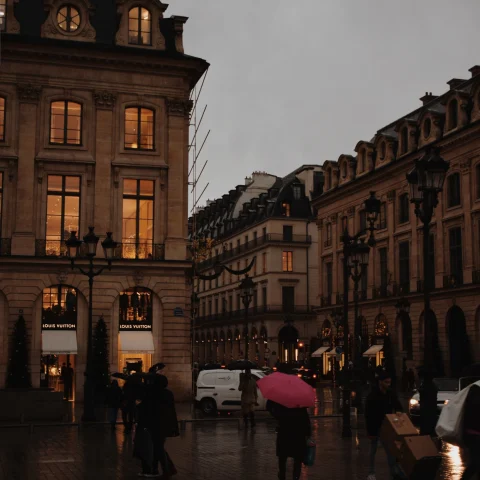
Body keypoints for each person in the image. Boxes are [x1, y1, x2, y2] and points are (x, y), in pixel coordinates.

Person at [365, 370, 406, 480]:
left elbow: (398, 405)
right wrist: (370, 431)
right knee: (373, 451)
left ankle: (394, 472)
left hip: (387, 427)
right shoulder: (372, 395)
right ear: (380, 382)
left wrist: (398, 411)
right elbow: (368, 414)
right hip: (375, 426)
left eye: (389, 382)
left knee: (391, 451)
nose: (388, 384)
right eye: (386, 382)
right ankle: (371, 472)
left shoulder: (390, 393)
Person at [135, 375, 178, 478]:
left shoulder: (154, 393)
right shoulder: (168, 393)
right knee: (159, 447)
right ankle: (168, 469)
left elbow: (148, 408)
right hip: (165, 424)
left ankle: (166, 470)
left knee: (157, 448)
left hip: (155, 424)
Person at [267, 400, 311, 480]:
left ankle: (282, 475)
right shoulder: (300, 404)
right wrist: (308, 434)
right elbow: (306, 420)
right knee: (297, 459)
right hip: (298, 435)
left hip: (284, 433)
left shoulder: (281, 402)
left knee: (282, 457)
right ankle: (295, 477)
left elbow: (270, 408)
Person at [461, 384, 480, 480]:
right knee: (476, 463)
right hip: (475, 436)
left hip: (471, 436)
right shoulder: (475, 404)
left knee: (475, 462)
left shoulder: (467, 404)